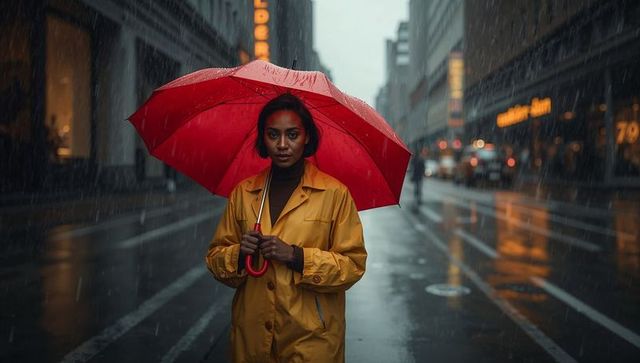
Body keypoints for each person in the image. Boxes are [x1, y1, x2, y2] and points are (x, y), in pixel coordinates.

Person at [205, 93, 367, 362]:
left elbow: (352, 266)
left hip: (311, 341)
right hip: (252, 340)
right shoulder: (244, 193)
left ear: (306, 138)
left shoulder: (335, 194)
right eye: (273, 134)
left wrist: (296, 256)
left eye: (292, 135)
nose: (282, 144)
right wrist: (239, 256)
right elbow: (214, 259)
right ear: (263, 139)